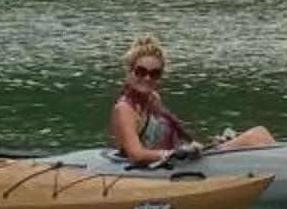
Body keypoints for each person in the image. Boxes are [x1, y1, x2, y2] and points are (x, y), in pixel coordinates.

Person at [107, 34, 275, 166]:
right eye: (141, 72)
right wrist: (172, 154)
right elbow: (136, 154)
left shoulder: (153, 99)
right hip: (158, 168)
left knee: (257, 135)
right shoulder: (124, 109)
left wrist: (200, 145)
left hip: (174, 161)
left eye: (155, 73)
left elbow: (177, 135)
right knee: (256, 135)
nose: (148, 78)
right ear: (130, 72)